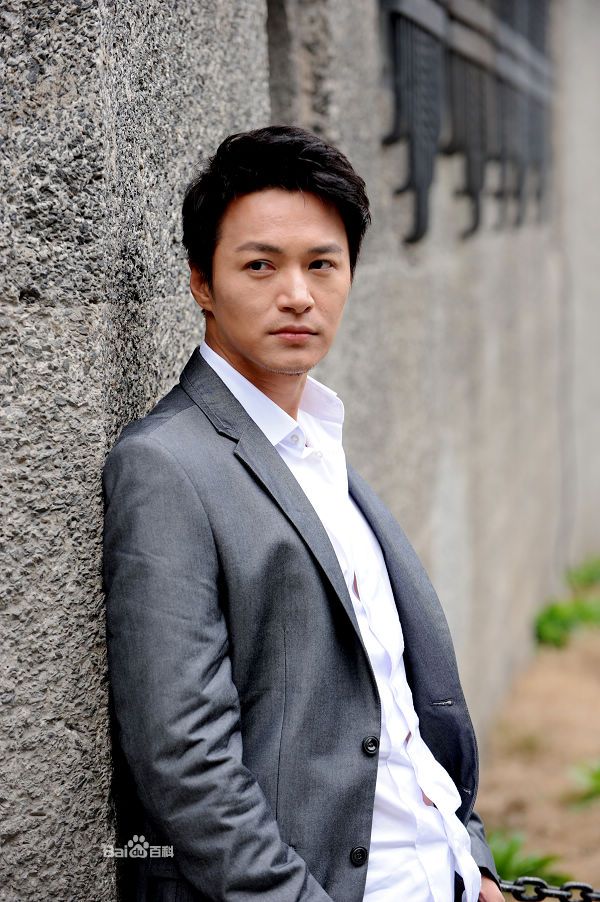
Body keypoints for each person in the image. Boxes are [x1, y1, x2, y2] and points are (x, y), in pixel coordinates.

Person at [103, 125, 503, 902]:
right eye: (260, 265)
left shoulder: (318, 445)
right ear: (201, 283)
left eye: (322, 264)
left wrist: (473, 860)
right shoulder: (166, 465)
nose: (297, 294)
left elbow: (397, 699)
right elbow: (184, 764)